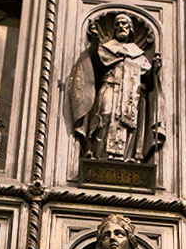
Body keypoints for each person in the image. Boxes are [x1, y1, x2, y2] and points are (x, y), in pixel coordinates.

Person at [68, 12, 163, 164]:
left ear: (130, 28)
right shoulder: (106, 49)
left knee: (129, 124)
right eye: (117, 24)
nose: (120, 26)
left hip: (132, 95)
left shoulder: (138, 55)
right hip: (110, 87)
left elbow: (148, 79)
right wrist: (95, 41)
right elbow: (94, 64)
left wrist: (154, 70)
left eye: (124, 23)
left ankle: (126, 156)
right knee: (105, 115)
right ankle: (99, 155)